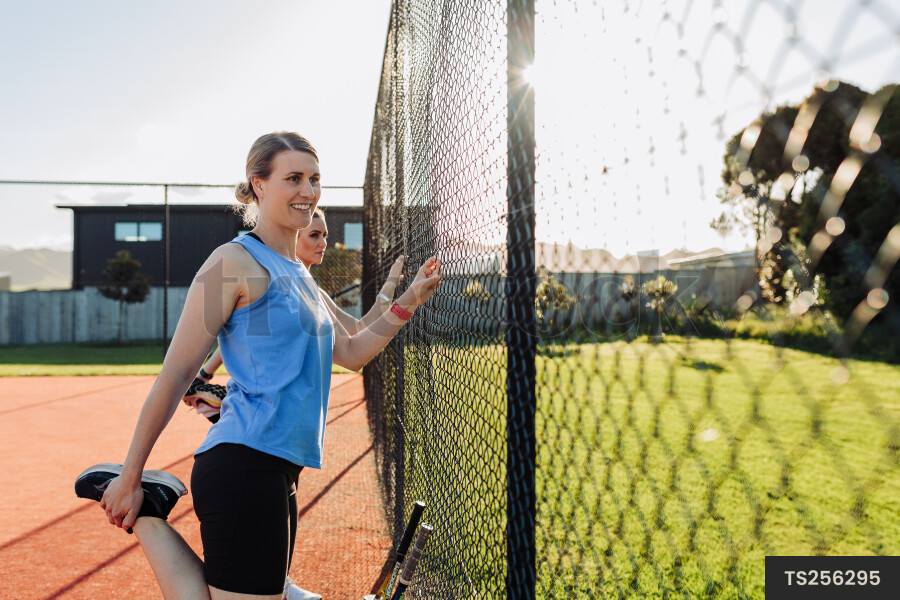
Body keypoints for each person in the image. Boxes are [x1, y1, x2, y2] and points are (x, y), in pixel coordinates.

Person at [74, 131, 441, 600]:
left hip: (282, 469)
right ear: (259, 184)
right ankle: (144, 508)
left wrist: (408, 300)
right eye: (293, 178)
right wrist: (130, 473)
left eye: (314, 179)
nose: (308, 191)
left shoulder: (303, 274)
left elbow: (350, 354)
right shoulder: (230, 263)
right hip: (244, 462)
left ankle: (152, 511)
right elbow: (177, 374)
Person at [183, 208, 405, 423]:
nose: (323, 242)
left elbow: (358, 330)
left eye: (325, 235)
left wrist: (389, 287)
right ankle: (222, 403)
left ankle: (218, 403)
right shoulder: (279, 285)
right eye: (314, 235)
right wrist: (204, 375)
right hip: (263, 412)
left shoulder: (314, 293)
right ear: (293, 239)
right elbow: (239, 329)